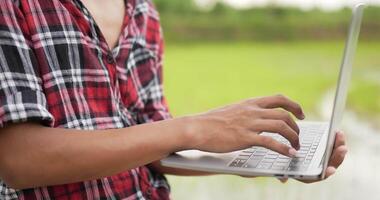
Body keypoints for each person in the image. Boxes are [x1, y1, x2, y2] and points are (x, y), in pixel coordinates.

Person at [0, 0, 348, 199]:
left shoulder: (143, 11)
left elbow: (153, 148)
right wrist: (193, 127)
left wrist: (259, 156)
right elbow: (18, 160)